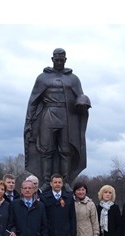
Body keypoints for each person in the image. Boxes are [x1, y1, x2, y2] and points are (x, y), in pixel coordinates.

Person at [24, 48, 91, 186]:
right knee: (46, 150)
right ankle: (46, 181)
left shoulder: (73, 78)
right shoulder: (42, 78)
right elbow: (33, 101)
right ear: (52, 59)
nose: (59, 62)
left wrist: (83, 104)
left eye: (61, 60)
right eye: (57, 60)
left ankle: (65, 181)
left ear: (65, 60)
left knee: (66, 150)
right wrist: (29, 121)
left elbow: (80, 97)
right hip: (48, 114)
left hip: (67, 116)